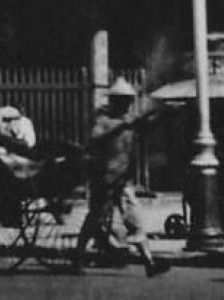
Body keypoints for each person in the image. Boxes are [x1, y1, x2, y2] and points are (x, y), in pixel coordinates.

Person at [73, 79, 170, 278]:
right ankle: (78, 256)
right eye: (123, 100)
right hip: (104, 177)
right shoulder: (104, 119)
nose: (127, 104)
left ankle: (149, 261)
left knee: (134, 220)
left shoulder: (129, 120)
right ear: (115, 100)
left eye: (129, 100)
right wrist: (121, 126)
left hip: (122, 179)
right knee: (95, 218)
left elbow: (145, 126)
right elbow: (95, 137)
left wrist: (162, 113)